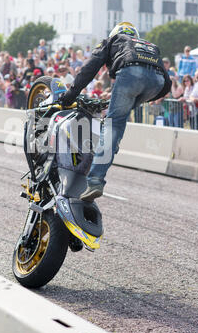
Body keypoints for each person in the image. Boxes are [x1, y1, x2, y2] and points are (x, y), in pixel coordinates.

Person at [60, 21, 171, 201]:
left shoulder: (113, 39)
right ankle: (112, 142)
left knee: (114, 124)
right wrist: (140, 99)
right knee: (119, 118)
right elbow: (167, 84)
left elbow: (89, 68)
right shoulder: (149, 45)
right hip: (156, 81)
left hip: (130, 73)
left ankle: (95, 180)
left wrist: (69, 96)